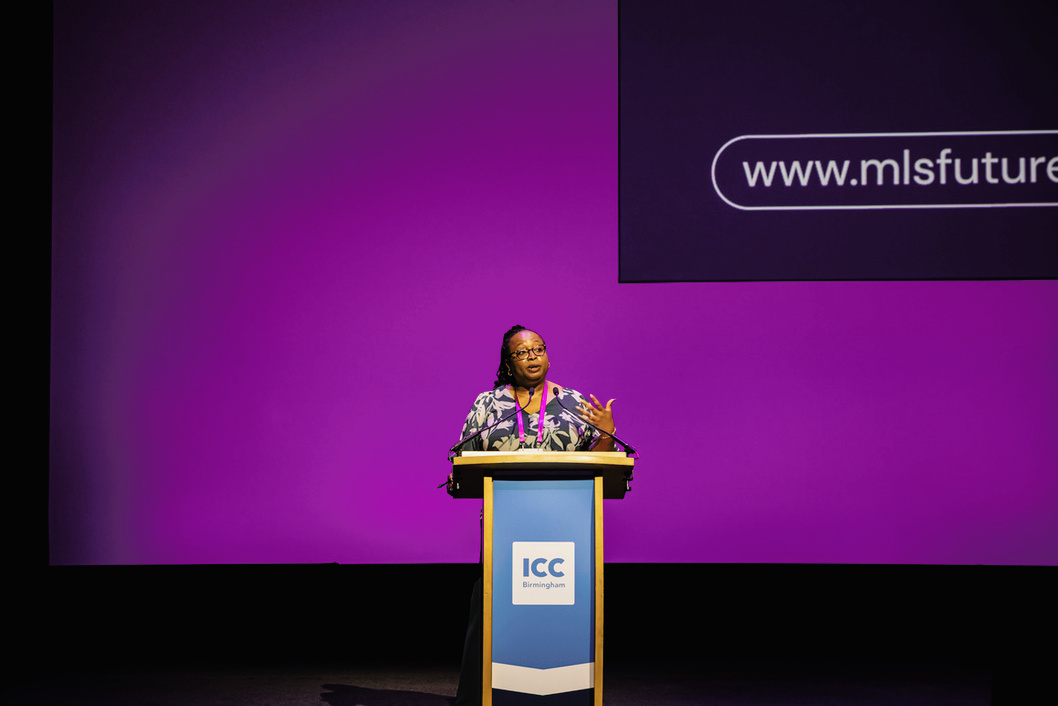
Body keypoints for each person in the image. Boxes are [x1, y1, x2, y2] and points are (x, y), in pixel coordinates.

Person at [453, 325, 617, 705]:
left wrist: (607, 434)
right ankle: (485, 694)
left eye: (538, 349)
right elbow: (463, 455)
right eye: (522, 352)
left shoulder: (573, 402)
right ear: (508, 363)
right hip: (505, 528)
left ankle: (564, 691)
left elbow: (599, 460)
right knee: (492, 606)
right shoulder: (489, 405)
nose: (532, 356)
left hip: (567, 527)